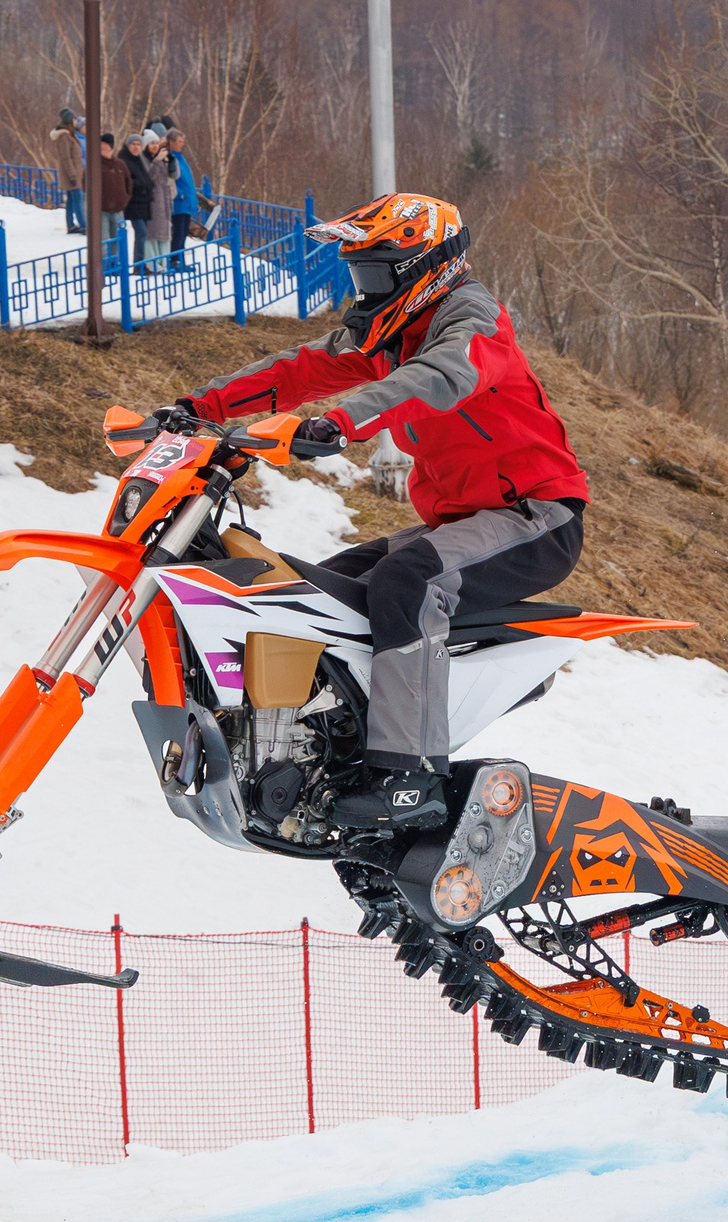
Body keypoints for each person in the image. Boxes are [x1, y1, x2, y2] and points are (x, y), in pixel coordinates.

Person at [172, 193, 589, 830]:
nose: (363, 289)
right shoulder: (393, 333)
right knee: (322, 589)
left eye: (375, 273)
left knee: (407, 580)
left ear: (426, 267)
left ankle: (410, 772)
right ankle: (325, 747)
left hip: (536, 518)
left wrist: (342, 422)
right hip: (462, 522)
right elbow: (301, 367)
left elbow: (437, 377)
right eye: (357, 273)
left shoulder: (472, 321)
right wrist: (199, 407)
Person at [164, 128, 198, 272]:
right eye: (179, 142)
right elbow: (170, 179)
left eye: (182, 142)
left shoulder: (180, 157)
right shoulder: (170, 157)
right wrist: (180, 193)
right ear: (171, 142)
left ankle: (180, 259)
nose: (181, 144)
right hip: (179, 201)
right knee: (178, 232)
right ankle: (174, 260)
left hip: (187, 201)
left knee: (183, 233)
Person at [122, 134, 157, 273]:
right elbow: (127, 181)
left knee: (143, 234)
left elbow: (147, 178)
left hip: (144, 202)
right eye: (133, 144)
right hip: (133, 203)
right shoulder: (125, 160)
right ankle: (138, 264)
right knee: (141, 233)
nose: (136, 147)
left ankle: (141, 263)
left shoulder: (140, 160)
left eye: (138, 145)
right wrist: (141, 184)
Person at [141, 130, 173, 272]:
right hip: (151, 201)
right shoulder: (144, 159)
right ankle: (152, 264)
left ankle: (164, 262)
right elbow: (149, 177)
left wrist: (170, 160)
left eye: (156, 143)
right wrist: (158, 161)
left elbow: (174, 175)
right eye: (151, 143)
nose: (154, 146)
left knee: (164, 233)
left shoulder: (160, 158)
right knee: (152, 234)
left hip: (163, 199)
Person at [51, 108, 86, 235]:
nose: (77, 121)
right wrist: (72, 174)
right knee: (78, 198)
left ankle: (71, 225)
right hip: (72, 174)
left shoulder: (69, 134)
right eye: (75, 119)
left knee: (71, 199)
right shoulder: (65, 136)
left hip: (74, 172)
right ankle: (83, 225)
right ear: (71, 120)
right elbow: (66, 157)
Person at [96, 133, 130, 258]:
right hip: (102, 210)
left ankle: (116, 265)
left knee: (118, 240)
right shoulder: (95, 164)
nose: (103, 148)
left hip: (118, 209)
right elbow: (86, 184)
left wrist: (124, 199)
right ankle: (105, 266)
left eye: (105, 145)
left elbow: (128, 183)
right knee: (104, 241)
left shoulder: (120, 164)